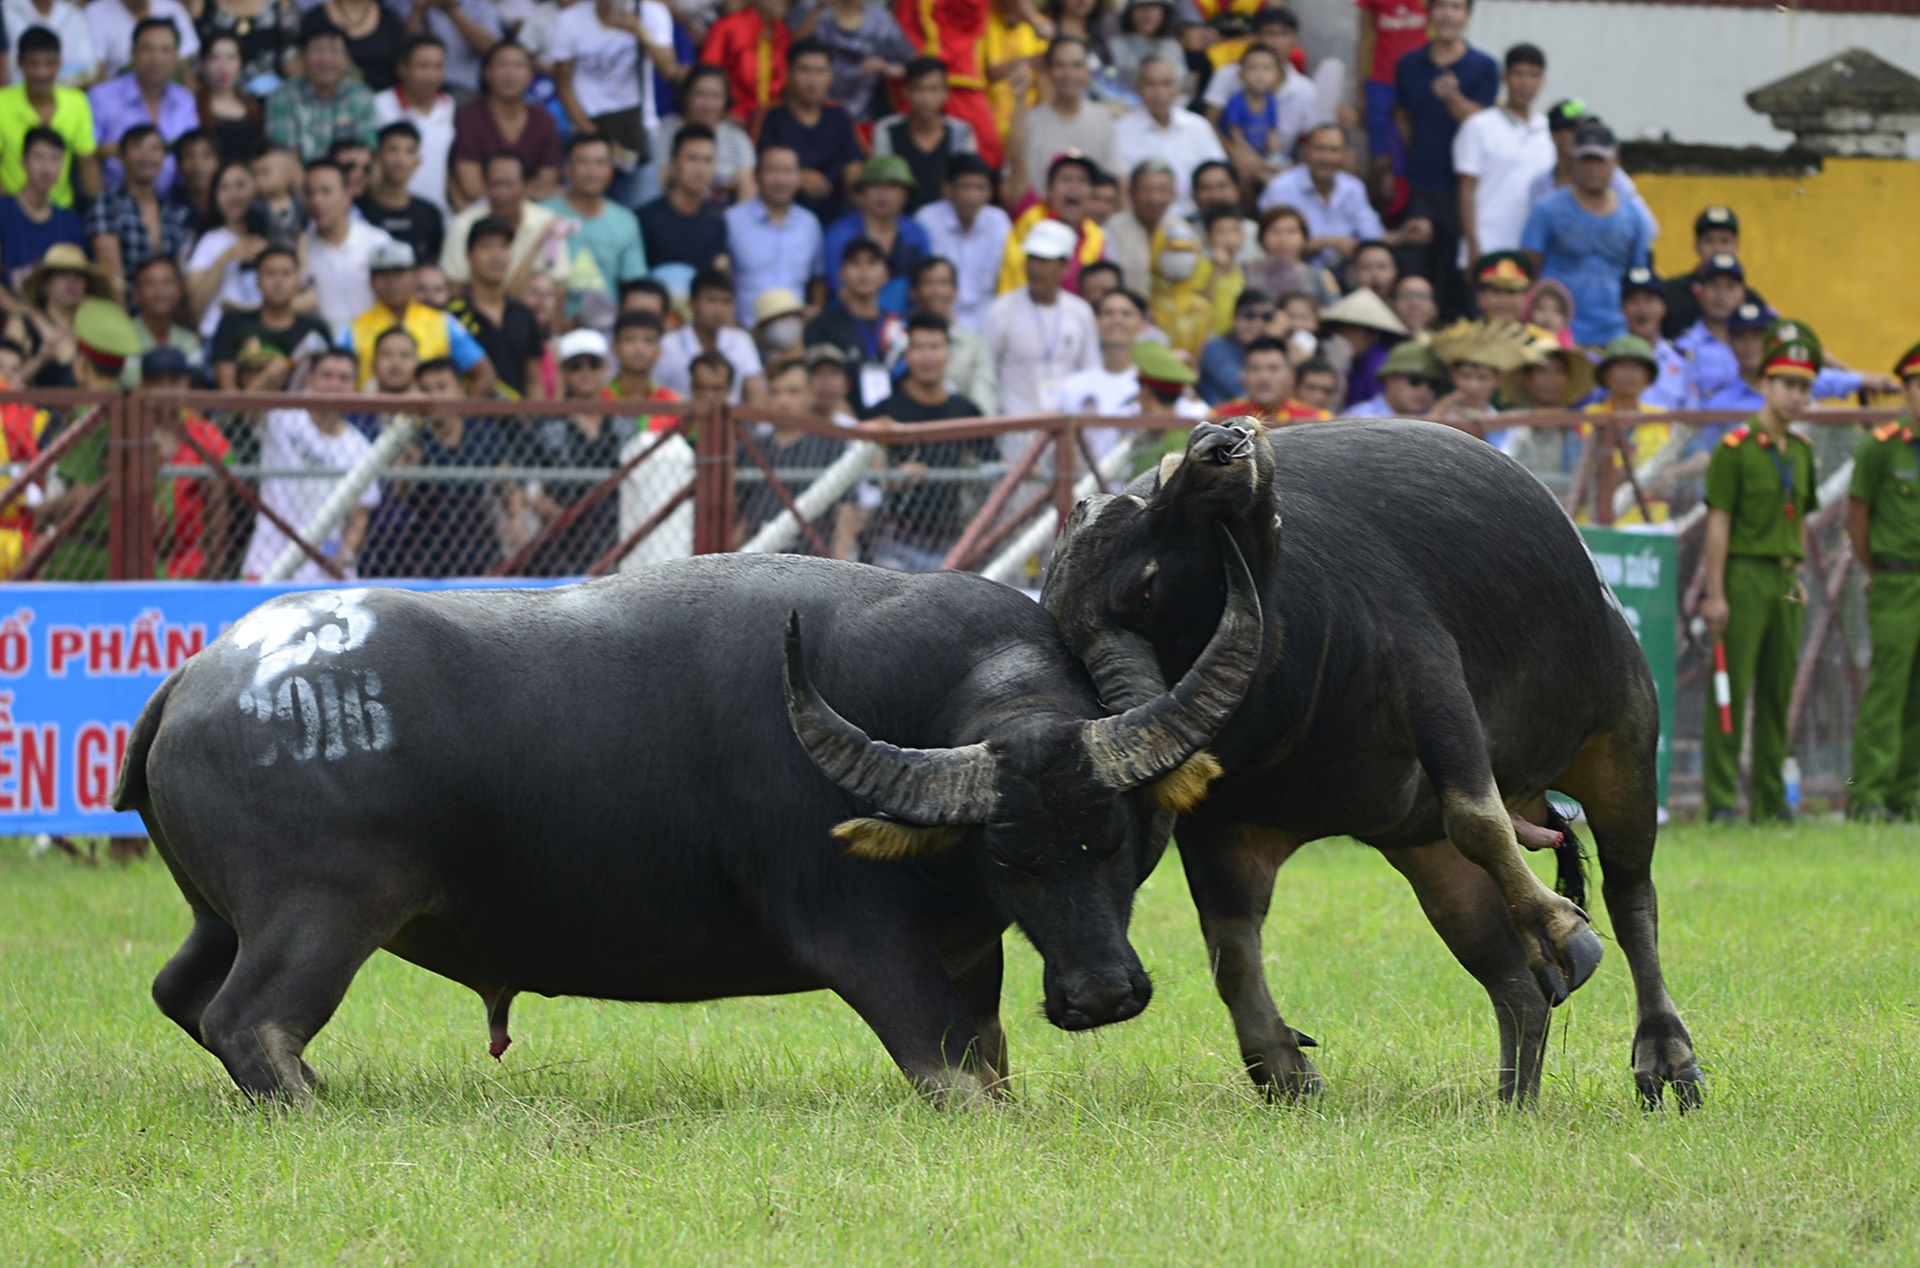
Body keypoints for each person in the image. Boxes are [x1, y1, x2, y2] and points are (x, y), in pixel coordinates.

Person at [1699, 325, 1823, 824]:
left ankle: (1772, 802)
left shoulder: (1803, 451)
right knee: (1732, 689)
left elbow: (1803, 520)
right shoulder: (1736, 449)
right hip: (1744, 576)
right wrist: (1714, 593)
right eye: (1787, 384)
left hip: (1787, 580)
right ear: (1765, 385)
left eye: (1804, 387)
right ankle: (1723, 800)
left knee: (1778, 692)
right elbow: (1718, 523)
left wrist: (1801, 573)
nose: (1796, 396)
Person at [1846, 339, 1920, 821]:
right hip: (1896, 582)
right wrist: (1876, 569)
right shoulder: (1882, 447)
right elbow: (1858, 518)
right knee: (1887, 690)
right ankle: (1868, 794)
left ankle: (1906, 793)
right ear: (1905, 390)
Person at [862, 310, 992, 569]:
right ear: (906, 355)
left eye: (935, 347)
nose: (927, 356)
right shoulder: (885, 410)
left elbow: (991, 461)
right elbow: (866, 473)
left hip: (953, 538)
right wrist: (894, 477)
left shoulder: (966, 412)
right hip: (895, 539)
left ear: (948, 354)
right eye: (919, 347)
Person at [1392, 0, 1498, 316]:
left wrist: (1454, 99)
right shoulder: (1409, 64)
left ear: (1466, 16)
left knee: (1460, 274)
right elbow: (1403, 118)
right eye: (1441, 6)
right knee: (1416, 266)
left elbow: (1484, 123)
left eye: (1456, 7)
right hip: (1422, 185)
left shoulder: (1484, 67)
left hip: (1466, 188)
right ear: (1429, 13)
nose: (1448, 15)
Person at [240, 348, 381, 582]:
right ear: (310, 380)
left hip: (325, 567)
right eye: (327, 376)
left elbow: (360, 514)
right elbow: (246, 408)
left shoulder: (361, 448)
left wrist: (345, 555)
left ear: (354, 386)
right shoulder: (281, 420)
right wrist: (270, 376)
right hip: (267, 562)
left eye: (343, 378)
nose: (334, 384)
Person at [1519, 120, 1646, 348]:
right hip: (1556, 332)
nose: (1593, 168)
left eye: (1600, 160)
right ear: (1573, 161)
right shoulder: (1546, 210)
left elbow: (1638, 281)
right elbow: (1528, 272)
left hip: (1615, 332)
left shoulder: (1634, 216)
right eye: (1586, 160)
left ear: (1616, 161)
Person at [392, 357, 513, 578]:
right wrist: (409, 465)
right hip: (425, 547)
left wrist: (516, 518)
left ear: (461, 392)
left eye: (442, 387)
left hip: (480, 542)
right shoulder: (413, 438)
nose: (435, 396)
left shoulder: (484, 434)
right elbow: (399, 491)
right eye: (426, 390)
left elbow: (509, 483)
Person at [548, 0, 677, 207]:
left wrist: (638, 29)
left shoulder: (651, 13)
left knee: (642, 213)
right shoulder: (569, 21)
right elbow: (563, 85)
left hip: (636, 133)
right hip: (587, 133)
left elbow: (668, 69)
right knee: (581, 211)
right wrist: (594, 135)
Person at [525, 327, 629, 574]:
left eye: (593, 365)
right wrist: (542, 504)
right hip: (563, 537)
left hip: (619, 530)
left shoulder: (624, 424)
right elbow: (528, 478)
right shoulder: (547, 427)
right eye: (575, 366)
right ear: (563, 372)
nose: (585, 373)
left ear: (604, 369)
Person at [341, 239, 494, 392]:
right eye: (383, 276)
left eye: (399, 273)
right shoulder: (353, 330)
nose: (391, 283)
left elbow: (485, 374)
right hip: (371, 414)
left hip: (429, 415)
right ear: (371, 281)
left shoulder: (441, 322)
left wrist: (458, 414)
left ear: (414, 276)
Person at [1257, 124, 1412, 273]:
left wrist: (1404, 235)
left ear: (1345, 155)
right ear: (1306, 151)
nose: (1326, 157)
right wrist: (1329, 242)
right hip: (1295, 273)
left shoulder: (1353, 188)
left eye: (1333, 150)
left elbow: (1372, 236)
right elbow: (1270, 243)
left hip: (1347, 273)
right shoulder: (1281, 188)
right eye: (1319, 149)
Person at [984, 218, 1099, 416]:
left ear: (1065, 266)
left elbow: (1090, 370)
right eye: (1031, 258)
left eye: (1044, 261)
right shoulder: (1000, 310)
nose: (1035, 268)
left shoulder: (1081, 311)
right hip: (1015, 431)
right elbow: (987, 373)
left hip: (1067, 429)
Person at [136, 346, 232, 578]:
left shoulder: (207, 435)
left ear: (186, 385)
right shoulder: (130, 432)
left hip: (189, 562)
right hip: (136, 557)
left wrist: (215, 569)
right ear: (143, 388)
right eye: (157, 382)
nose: (166, 390)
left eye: (174, 381)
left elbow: (218, 508)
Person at [1452, 42, 1549, 268]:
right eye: (1519, 74)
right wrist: (1473, 247)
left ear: (1542, 82)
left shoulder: (1547, 129)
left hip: (1532, 252)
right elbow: (1466, 190)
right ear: (1505, 78)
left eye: (1534, 76)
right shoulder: (1479, 126)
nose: (1526, 83)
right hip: (1487, 247)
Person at [1523, 97, 1659, 254]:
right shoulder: (1540, 185)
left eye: (1588, 128)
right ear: (1555, 136)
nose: (1584, 136)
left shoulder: (1612, 178)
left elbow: (1648, 228)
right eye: (1574, 130)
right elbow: (1534, 239)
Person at [758, 37, 867, 223]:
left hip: (835, 213)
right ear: (789, 74)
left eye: (820, 71)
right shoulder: (769, 116)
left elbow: (853, 166)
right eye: (804, 70)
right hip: (780, 212)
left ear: (830, 77)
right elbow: (756, 166)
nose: (812, 80)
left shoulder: (839, 115)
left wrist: (859, 200)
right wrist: (794, 175)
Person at [87, 16, 197, 192]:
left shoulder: (185, 100)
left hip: (173, 203)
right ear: (132, 53)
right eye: (148, 49)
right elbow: (88, 157)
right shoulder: (101, 97)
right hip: (114, 201)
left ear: (176, 58)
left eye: (165, 50)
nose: (156, 58)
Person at [541, 133, 647, 315]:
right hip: (552, 326)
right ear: (566, 169)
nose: (592, 171)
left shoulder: (626, 221)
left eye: (601, 163)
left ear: (611, 170)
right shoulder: (543, 215)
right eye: (583, 162)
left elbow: (634, 284)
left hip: (608, 330)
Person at [447, 213, 547, 400]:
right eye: (486, 246)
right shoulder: (452, 314)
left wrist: (536, 424)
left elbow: (533, 381)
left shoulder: (524, 315)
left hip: (517, 425)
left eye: (503, 246)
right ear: (469, 256)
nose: (496, 255)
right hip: (470, 423)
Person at [724, 143, 823, 328]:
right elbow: (721, 276)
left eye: (788, 171)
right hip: (745, 331)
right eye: (772, 170)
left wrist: (815, 316)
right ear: (756, 175)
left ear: (799, 176)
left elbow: (818, 279)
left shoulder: (809, 223)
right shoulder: (732, 221)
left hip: (796, 334)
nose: (780, 179)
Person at [1113, 55, 1223, 221]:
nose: (1159, 92)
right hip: (1144, 222)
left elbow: (1218, 175)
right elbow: (1120, 188)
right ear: (1137, 88)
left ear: (1178, 88)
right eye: (1151, 84)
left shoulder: (1198, 126)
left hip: (1197, 219)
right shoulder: (1120, 130)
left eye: (1167, 83)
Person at [440, 151, 571, 290]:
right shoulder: (463, 225)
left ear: (527, 186)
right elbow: (455, 286)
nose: (501, 192)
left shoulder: (546, 222)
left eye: (509, 184)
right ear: (484, 185)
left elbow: (557, 286)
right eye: (495, 184)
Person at [1571, 334, 1666, 523]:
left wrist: (1673, 472)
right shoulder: (1585, 418)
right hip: (1593, 524)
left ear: (1648, 375)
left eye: (1636, 367)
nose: (1628, 374)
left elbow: (1699, 457)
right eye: (1620, 367)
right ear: (1606, 375)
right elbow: (1570, 472)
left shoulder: (1664, 419)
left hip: (1648, 527)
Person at [893, 0, 1000, 169]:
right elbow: (908, 30)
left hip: (967, 78)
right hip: (924, 75)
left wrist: (1035, 21)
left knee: (985, 149)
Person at [0, 28, 100, 207]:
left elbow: (88, 165)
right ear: (19, 63)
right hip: (11, 212)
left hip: (61, 210)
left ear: (60, 63)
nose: (41, 72)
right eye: (33, 64)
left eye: (49, 63)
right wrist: (8, 214)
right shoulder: (2, 103)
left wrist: (101, 213)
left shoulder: (77, 102)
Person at [803, 236, 903, 414]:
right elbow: (813, 378)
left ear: (886, 275)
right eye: (855, 263)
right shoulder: (822, 326)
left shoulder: (897, 325)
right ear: (840, 273)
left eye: (872, 263)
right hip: (841, 422)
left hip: (895, 422)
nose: (863, 271)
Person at [208, 246, 331, 390]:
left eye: (286, 274)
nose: (278, 282)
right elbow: (227, 389)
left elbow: (324, 385)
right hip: (243, 409)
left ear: (298, 282)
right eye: (270, 273)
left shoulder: (315, 330)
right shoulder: (232, 324)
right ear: (257, 281)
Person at [821, 153, 929, 312]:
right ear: (862, 193)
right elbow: (839, 287)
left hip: (904, 326)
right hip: (850, 322)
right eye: (875, 186)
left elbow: (924, 286)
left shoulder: (917, 233)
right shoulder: (839, 233)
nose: (883, 195)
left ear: (906, 194)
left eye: (892, 187)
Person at [913, 153, 1008, 332]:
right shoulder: (927, 219)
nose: (973, 195)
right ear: (948, 189)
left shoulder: (999, 221)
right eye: (966, 187)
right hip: (937, 320)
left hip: (988, 323)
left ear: (990, 192)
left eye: (980, 188)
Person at [1015, 36, 1117, 202]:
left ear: (1087, 71)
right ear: (1047, 71)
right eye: (1060, 66)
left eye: (1077, 65)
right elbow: (1013, 184)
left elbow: (1115, 181)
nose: (1069, 74)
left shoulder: (1103, 119)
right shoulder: (1029, 121)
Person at [870, 56, 976, 213]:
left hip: (947, 219)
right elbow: (882, 182)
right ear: (906, 92)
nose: (926, 98)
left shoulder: (961, 132)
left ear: (946, 93)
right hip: (899, 219)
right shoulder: (887, 129)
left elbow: (966, 183)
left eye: (934, 89)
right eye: (919, 89)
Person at [298, 158, 394, 330]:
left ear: (347, 195)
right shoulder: (300, 250)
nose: (316, 201)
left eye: (326, 192)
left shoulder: (378, 242)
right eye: (309, 193)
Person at [183, 159, 270, 340]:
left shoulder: (269, 234)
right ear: (215, 196)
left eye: (240, 185)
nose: (233, 194)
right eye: (224, 187)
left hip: (263, 336)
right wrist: (227, 257)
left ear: (255, 188)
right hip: (219, 337)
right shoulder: (208, 240)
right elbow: (195, 306)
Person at [1060, 286, 1151, 458]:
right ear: (1096, 322)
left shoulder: (1153, 385)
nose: (1116, 320)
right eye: (1108, 313)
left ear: (1144, 324)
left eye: (1126, 314)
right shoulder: (1073, 385)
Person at [266, 26, 378, 163]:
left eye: (334, 50)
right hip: (300, 182)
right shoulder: (283, 97)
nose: (326, 59)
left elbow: (367, 152)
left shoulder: (361, 96)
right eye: (317, 50)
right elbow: (284, 159)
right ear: (303, 56)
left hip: (348, 180)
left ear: (347, 58)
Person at [998, 151, 1105, 295]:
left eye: (1083, 181)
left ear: (1092, 194)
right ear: (1049, 190)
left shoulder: (1096, 236)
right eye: (1066, 179)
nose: (1074, 186)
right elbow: (1016, 157)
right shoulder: (1027, 215)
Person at [657, 268, 766, 405]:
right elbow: (655, 391)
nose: (718, 309)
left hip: (729, 424)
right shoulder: (668, 344)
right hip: (678, 424)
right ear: (692, 303)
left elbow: (755, 391)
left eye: (726, 302)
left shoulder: (741, 341)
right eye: (711, 300)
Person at [791, 0, 913, 122]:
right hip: (816, 110)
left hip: (868, 112)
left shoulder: (881, 20)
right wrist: (819, 7)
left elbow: (912, 65)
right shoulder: (811, 8)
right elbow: (793, 49)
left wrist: (886, 68)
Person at [375, 35, 458, 211]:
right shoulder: (378, 105)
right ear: (402, 69)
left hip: (437, 214)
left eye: (438, 66)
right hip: (385, 211)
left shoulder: (449, 107)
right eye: (423, 66)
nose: (432, 75)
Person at [654, 66, 759, 204]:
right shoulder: (663, 132)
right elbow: (658, 185)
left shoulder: (737, 139)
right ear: (685, 95)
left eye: (716, 96)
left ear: (726, 99)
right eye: (700, 94)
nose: (708, 104)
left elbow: (748, 193)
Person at [906, 254, 996, 411]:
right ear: (914, 292)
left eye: (944, 282)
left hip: (963, 430)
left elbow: (984, 402)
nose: (936, 290)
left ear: (956, 291)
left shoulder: (974, 343)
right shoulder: (898, 339)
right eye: (928, 282)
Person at [636, 125, 731, 272]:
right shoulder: (645, 220)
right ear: (674, 165)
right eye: (692, 159)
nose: (700, 168)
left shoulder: (716, 223)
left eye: (708, 160)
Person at [1660, 204, 1763, 341]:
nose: (1717, 249)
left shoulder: (1750, 300)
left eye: (1725, 241)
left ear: (1736, 246)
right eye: (1709, 241)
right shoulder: (1671, 293)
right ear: (1697, 246)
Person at [0, 128, 85, 292]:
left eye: (55, 159)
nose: (47, 168)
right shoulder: (3, 213)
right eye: (39, 158)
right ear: (23, 162)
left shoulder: (70, 222)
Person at [1356, 0, 1427, 187]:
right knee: (1379, 160)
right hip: (1381, 82)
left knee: (1415, 153)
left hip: (1419, 82)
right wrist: (1361, 91)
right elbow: (1365, 38)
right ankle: (1375, 212)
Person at [358, 121, 446, 268]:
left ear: (418, 161)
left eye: (409, 151)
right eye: (393, 150)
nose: (400, 160)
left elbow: (432, 265)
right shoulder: (358, 211)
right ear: (377, 156)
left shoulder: (430, 214)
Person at [1671, 252, 1749, 408]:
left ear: (1743, 295)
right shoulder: (1681, 349)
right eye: (1714, 286)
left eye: (1730, 287)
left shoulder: (1757, 344)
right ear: (1698, 292)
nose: (1721, 295)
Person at [697, 0, 792, 125]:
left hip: (773, 117)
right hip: (733, 116)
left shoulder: (782, 32)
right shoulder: (728, 25)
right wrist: (724, 111)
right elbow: (707, 73)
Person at [1104, 157, 1185, 298]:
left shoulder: (1182, 230)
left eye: (1162, 190)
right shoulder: (1112, 229)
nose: (1154, 198)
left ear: (1173, 195)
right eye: (1147, 189)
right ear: (1131, 193)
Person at [1618, 267, 1691, 411]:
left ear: (1664, 307)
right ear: (1622, 309)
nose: (1641, 308)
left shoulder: (1682, 362)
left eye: (1649, 300)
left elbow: (1691, 421)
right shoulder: (1609, 362)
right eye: (1633, 301)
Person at [198, 0, 298, 103]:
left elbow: (294, 60)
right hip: (220, 101)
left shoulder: (279, 4)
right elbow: (193, 66)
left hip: (275, 99)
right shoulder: (203, 5)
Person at [403, 0, 504, 101]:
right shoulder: (407, 4)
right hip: (415, 87)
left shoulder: (480, 6)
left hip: (462, 89)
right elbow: (399, 48)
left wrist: (451, 10)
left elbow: (493, 51)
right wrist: (418, 9)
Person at [298, 0, 406, 93]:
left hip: (385, 104)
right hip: (324, 101)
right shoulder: (315, 18)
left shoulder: (389, 19)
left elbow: (403, 64)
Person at [124, 256, 203, 383]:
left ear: (179, 291)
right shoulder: (122, 337)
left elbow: (194, 385)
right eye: (150, 283)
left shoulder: (189, 340)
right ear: (135, 294)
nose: (160, 291)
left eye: (167, 282)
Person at [1214, 334, 1327, 423]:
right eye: (1255, 368)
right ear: (1243, 377)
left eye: (1273, 369)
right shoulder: (1219, 418)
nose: (1264, 377)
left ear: (1291, 376)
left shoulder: (1318, 420)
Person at [191, 32, 260, 165]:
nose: (223, 66)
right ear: (203, 63)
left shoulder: (252, 106)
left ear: (241, 63)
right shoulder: (193, 104)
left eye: (231, 57)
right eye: (215, 58)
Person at [1197, 286, 1269, 406]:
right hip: (1216, 421)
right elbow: (1244, 391)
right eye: (1249, 315)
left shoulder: (1266, 351)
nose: (1258, 323)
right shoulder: (1215, 349)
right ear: (1235, 319)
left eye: (1266, 317)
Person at [4, 0, 98, 85]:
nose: (41, 73)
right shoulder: (5, 11)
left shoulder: (73, 15)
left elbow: (86, 71)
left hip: (65, 97)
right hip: (13, 96)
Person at [1346, 339, 1445, 417]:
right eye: (1415, 380)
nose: (1424, 390)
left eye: (1433, 383)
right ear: (1390, 379)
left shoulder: (1437, 416)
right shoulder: (1358, 417)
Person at [1106, 0, 1181, 99]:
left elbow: (1184, 87)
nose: (1148, 14)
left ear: (1165, 12)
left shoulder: (1173, 47)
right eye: (1142, 7)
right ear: (1130, 11)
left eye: (1155, 7)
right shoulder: (1114, 46)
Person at [1470, 248, 1532, 322]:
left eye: (1512, 292)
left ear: (1525, 297)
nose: (1504, 300)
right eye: (1497, 291)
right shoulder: (1462, 333)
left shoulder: (1540, 334)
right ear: (1480, 296)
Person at [1390, 271, 1438, 336]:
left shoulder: (1446, 344)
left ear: (1435, 308)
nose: (1414, 303)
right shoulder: (1374, 344)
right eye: (1405, 295)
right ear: (1392, 304)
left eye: (1422, 296)